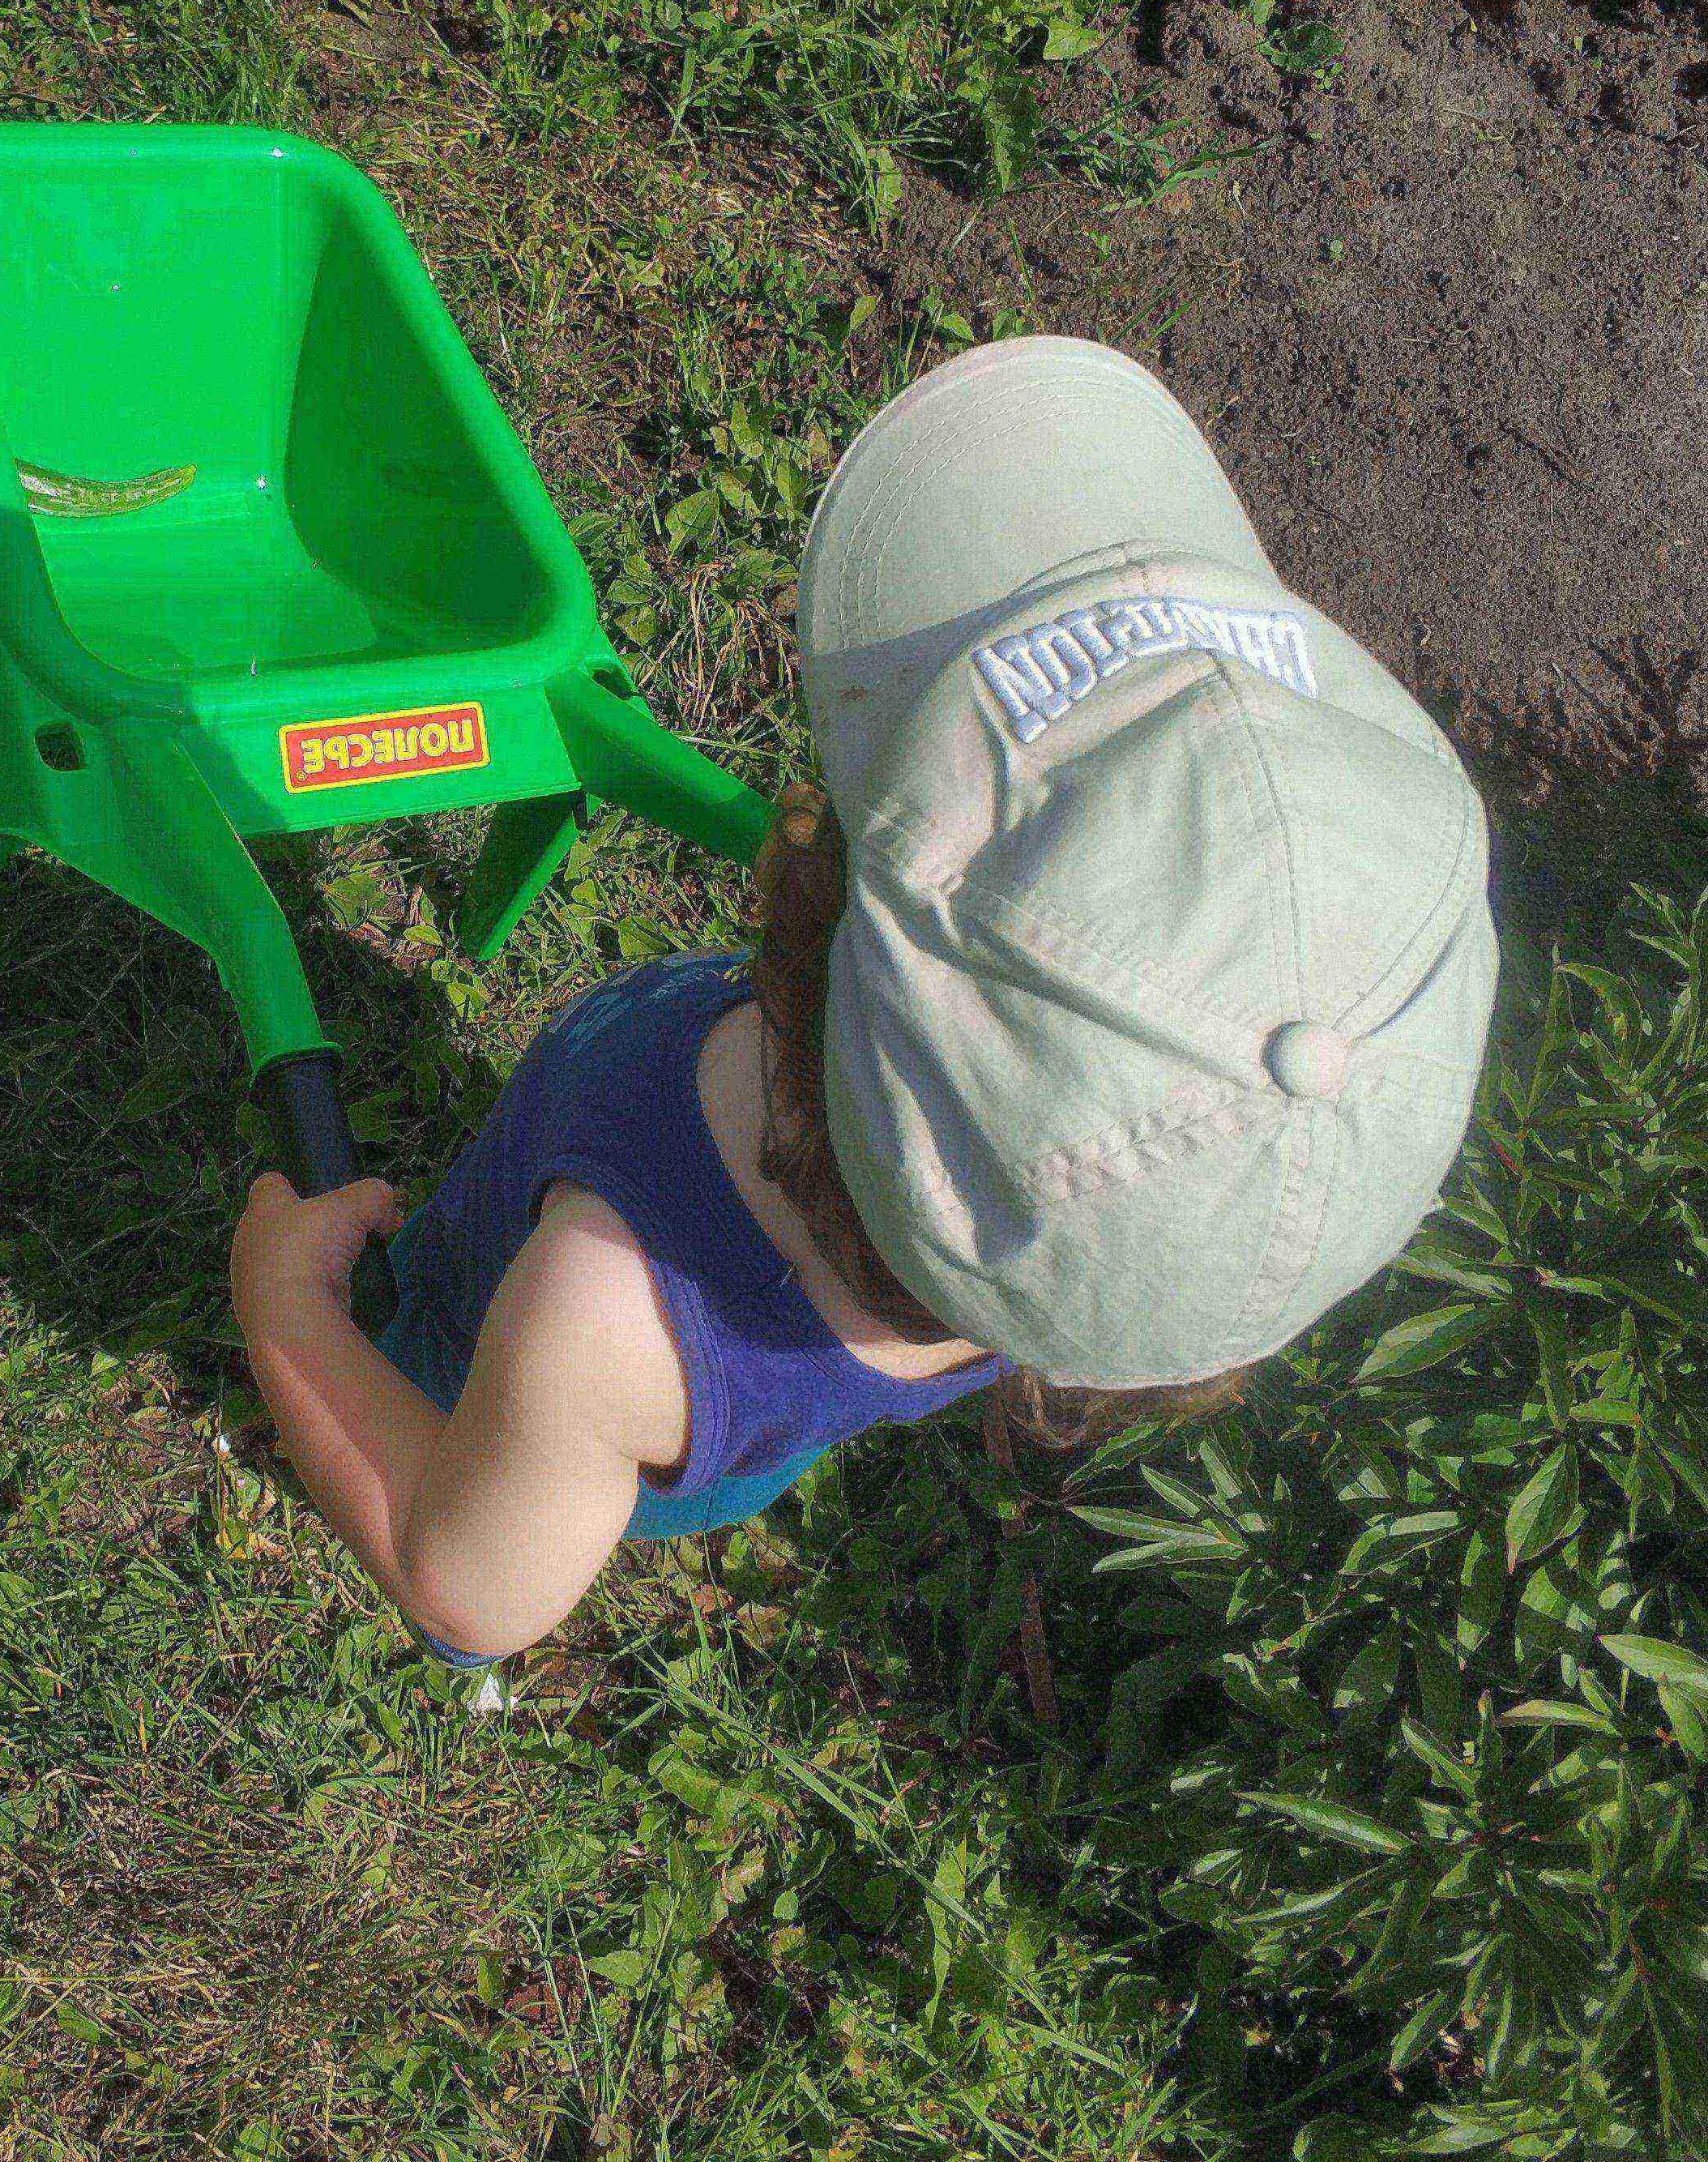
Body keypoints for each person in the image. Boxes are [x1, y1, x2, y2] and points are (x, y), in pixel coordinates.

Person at [228, 336, 1501, 1673]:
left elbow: (467, 1589)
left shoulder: (596, 1317)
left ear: (821, 900)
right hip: (681, 1355)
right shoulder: (1060, 1237)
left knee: (456, 1412)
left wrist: (289, 1316)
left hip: (478, 1354)